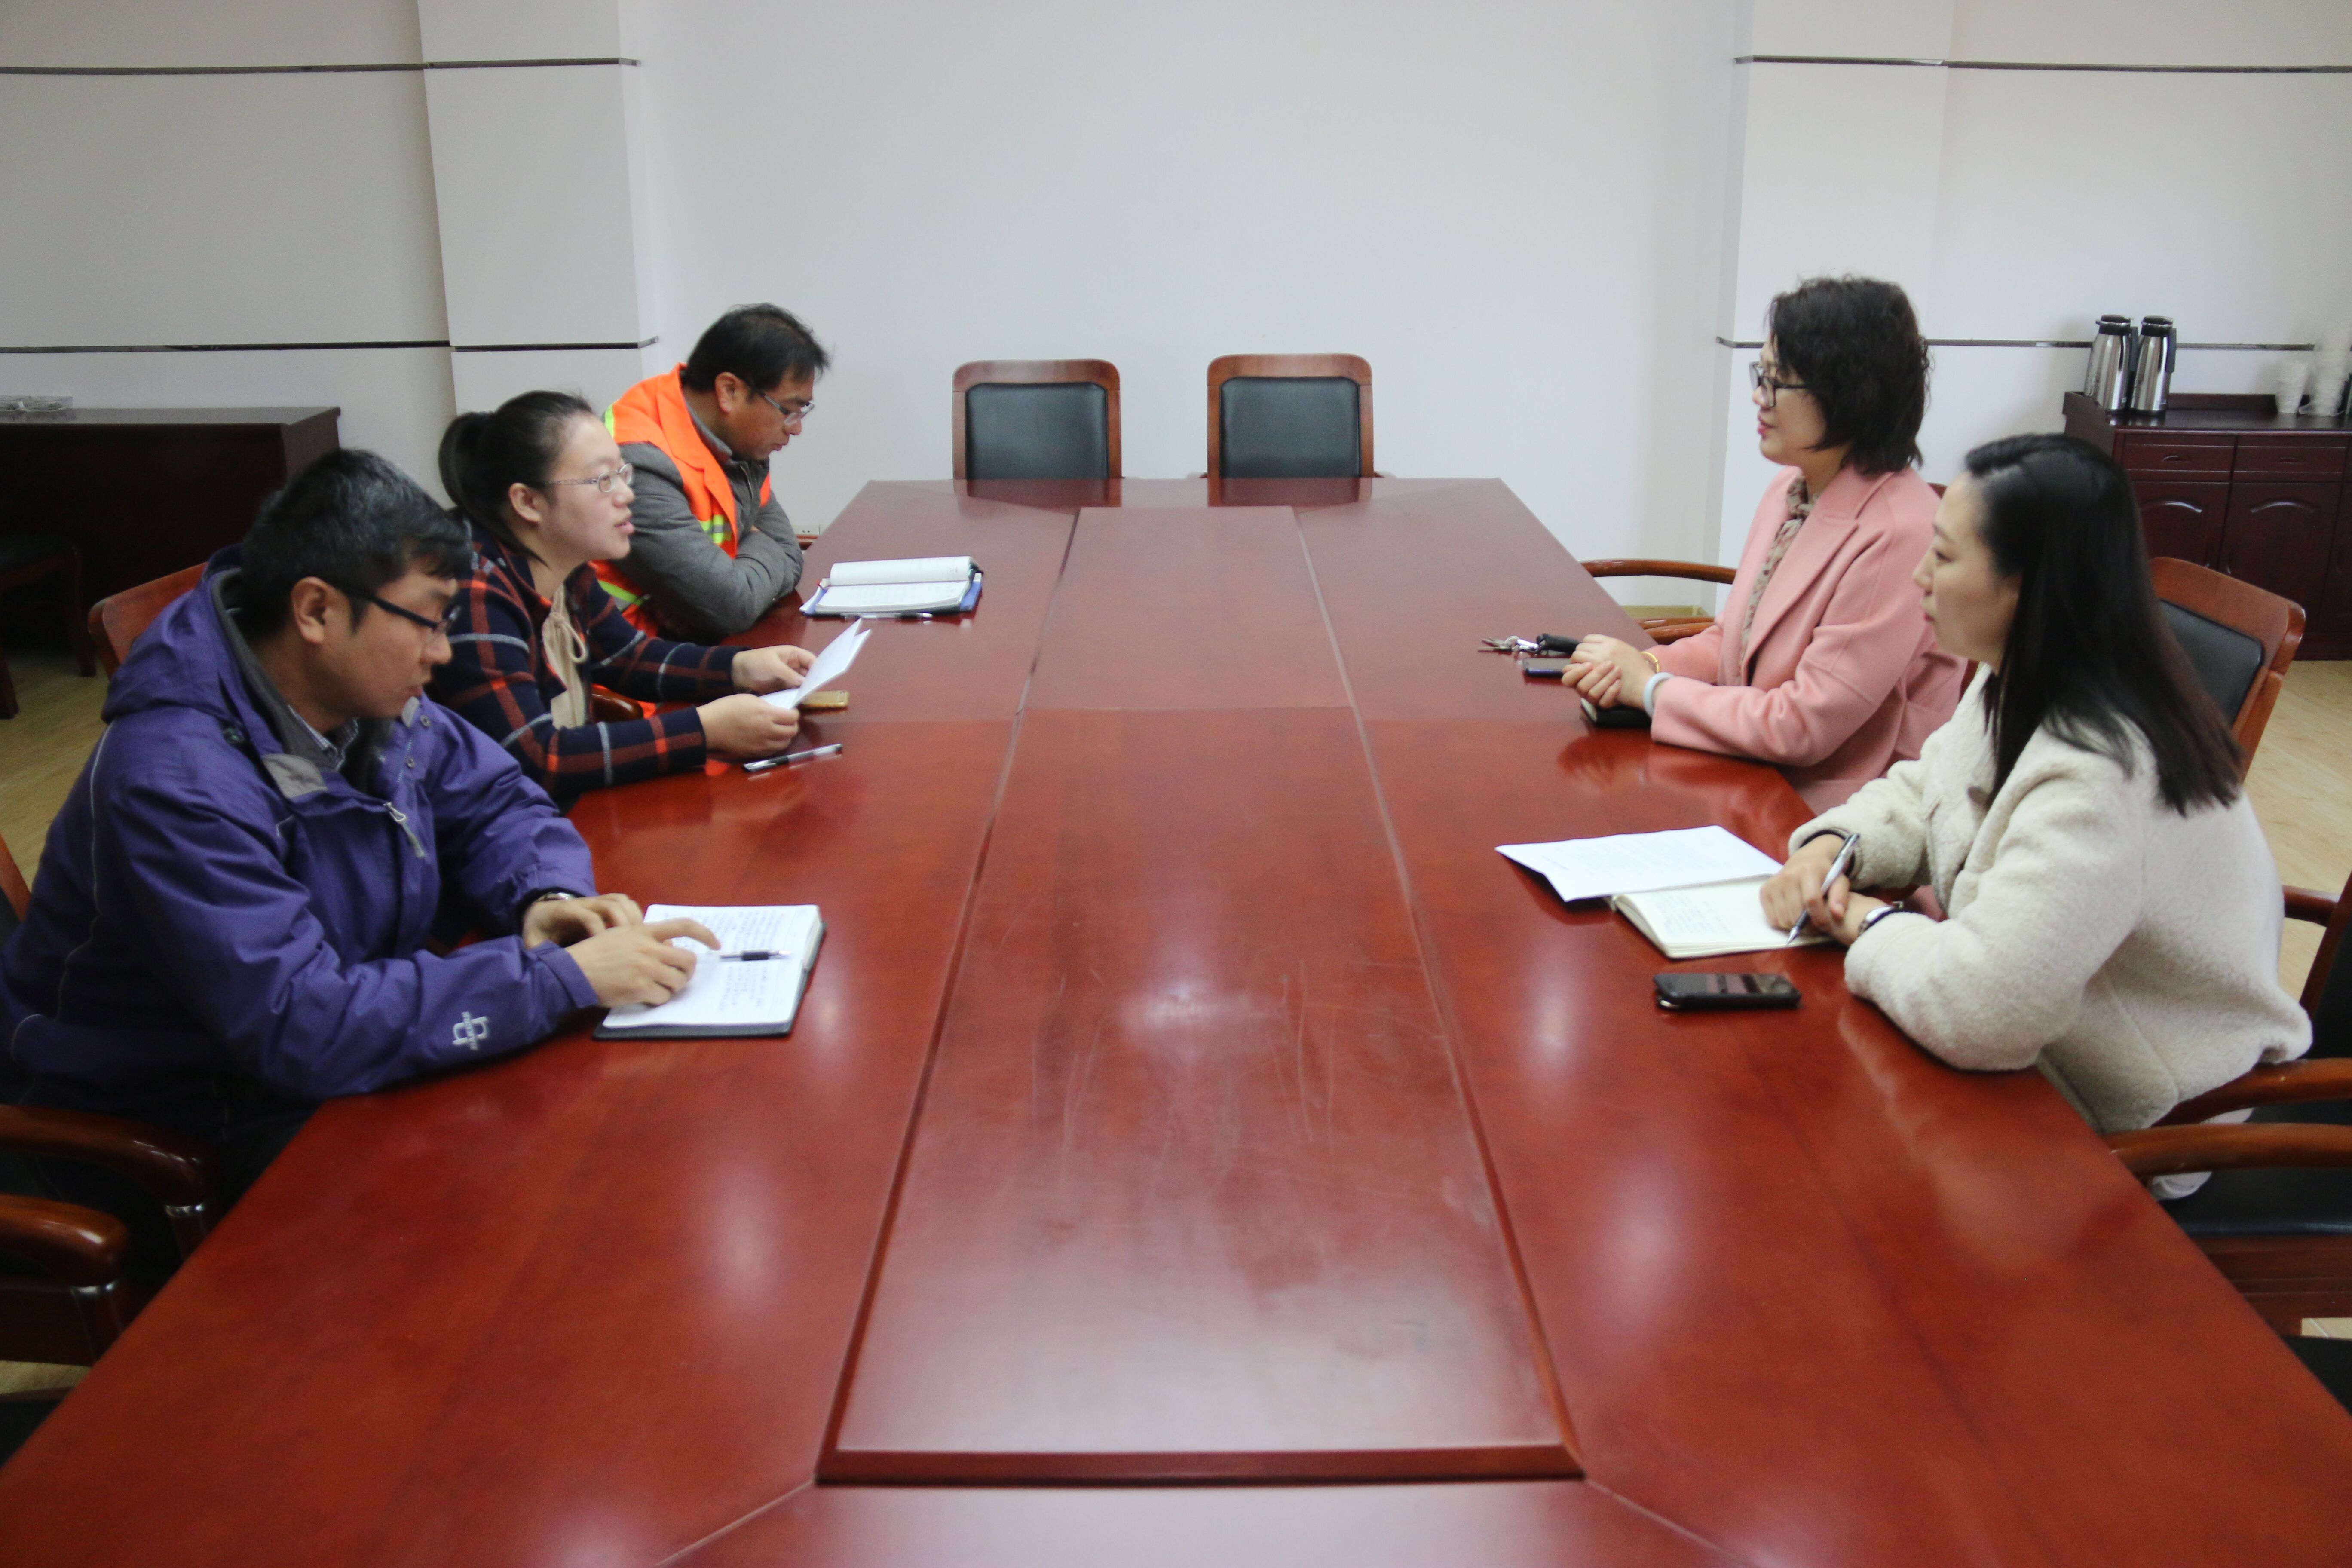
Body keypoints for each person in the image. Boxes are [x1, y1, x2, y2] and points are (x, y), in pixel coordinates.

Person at [0, 450, 720, 1239]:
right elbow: (300, 1026)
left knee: (600, 1142)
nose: (442, 653)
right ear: (316, 610)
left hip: (326, 1056)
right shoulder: (175, 782)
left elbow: (498, 799)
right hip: (189, 1124)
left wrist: (543, 896)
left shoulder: (362, 694)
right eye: (428, 622)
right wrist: (553, 982)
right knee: (531, 1214)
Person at [1761, 433, 2309, 1159]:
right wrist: (1836, 849)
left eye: (1944, 557)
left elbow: (1980, 1013)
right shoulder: (2025, 668)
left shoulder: (2104, 767)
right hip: (2044, 1058)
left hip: (2147, 1119)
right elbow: (1927, 788)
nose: (1919, 576)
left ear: (2028, 584)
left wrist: (1862, 920)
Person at [1568, 276, 1965, 808]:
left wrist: (1650, 690)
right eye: (1762, 375)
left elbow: (1802, 727)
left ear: (1849, 392)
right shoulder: (1793, 487)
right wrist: (1644, 666)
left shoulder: (1901, 532)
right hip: (1753, 771)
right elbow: (1733, 642)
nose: (1759, 397)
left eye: (1779, 381)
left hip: (1837, 812)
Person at [431, 392, 814, 801]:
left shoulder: (563, 558)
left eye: (622, 473)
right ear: (528, 502)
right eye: (603, 481)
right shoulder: (472, 594)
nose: (627, 495)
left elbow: (624, 657)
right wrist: (703, 731)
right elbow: (538, 758)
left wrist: (739, 668)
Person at [600, 304, 829, 639]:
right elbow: (731, 607)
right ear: (729, 391)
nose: (796, 429)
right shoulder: (636, 463)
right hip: (624, 659)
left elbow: (789, 553)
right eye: (788, 411)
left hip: (690, 647)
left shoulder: (734, 441)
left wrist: (721, 588)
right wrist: (729, 582)